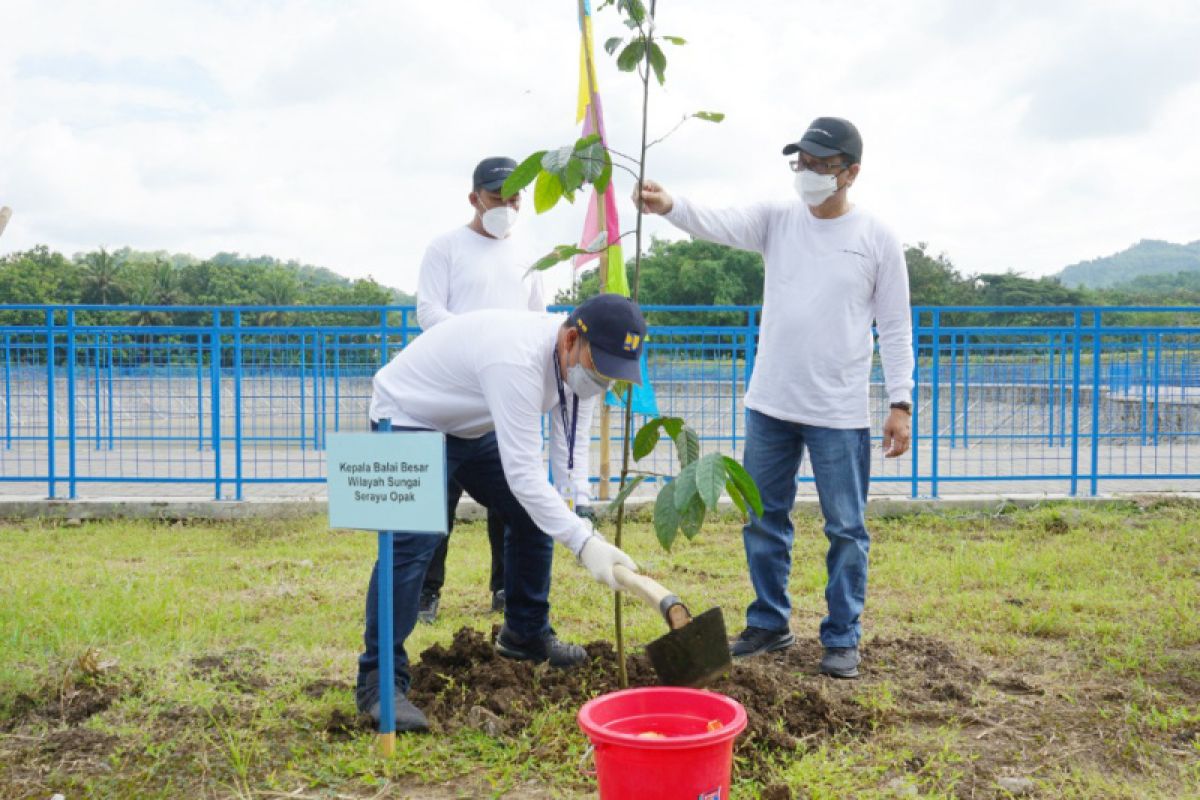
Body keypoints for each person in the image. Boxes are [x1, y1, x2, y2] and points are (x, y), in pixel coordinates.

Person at [634, 117, 914, 679]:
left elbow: (896, 325)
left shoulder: (876, 239)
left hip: (838, 413)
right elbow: (717, 221)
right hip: (770, 405)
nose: (807, 174)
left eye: (820, 164)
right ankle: (768, 623)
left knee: (846, 529)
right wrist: (670, 206)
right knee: (763, 519)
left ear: (850, 173)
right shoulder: (777, 221)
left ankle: (841, 636)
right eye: (801, 163)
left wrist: (900, 402)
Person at [355, 293, 645, 730]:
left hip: (469, 423)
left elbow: (571, 443)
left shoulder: (578, 368)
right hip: (409, 413)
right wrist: (584, 544)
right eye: (599, 367)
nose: (602, 381)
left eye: (612, 374)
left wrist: (578, 506)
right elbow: (525, 475)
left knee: (531, 514)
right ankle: (379, 682)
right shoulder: (517, 362)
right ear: (571, 339)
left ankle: (525, 634)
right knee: (413, 538)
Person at [413, 156, 595, 623]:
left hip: (508, 391)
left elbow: (541, 320)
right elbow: (429, 313)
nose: (507, 207)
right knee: (435, 505)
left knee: (517, 496)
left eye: (516, 198)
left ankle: (505, 590)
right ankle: (427, 592)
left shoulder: (526, 256)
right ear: (474, 198)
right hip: (453, 397)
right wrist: (475, 350)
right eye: (498, 198)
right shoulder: (446, 248)